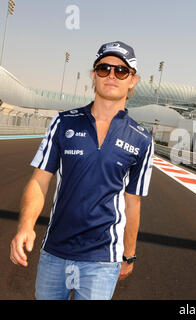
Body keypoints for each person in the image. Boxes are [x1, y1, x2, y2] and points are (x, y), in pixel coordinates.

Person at [9, 41, 154, 300]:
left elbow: (133, 203)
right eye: (104, 69)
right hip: (54, 252)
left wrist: (129, 255)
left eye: (121, 71)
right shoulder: (63, 122)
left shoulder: (142, 138)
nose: (111, 75)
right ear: (93, 75)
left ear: (132, 80)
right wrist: (25, 227)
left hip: (102, 259)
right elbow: (39, 181)